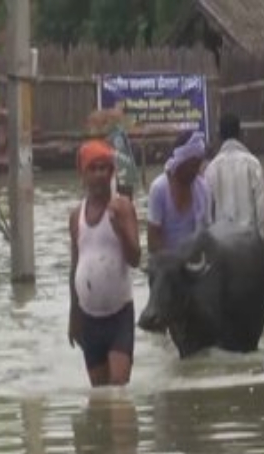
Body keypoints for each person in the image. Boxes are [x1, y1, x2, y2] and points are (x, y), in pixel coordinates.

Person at [68, 139, 141, 387]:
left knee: (118, 392)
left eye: (104, 168)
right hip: (89, 318)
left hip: (119, 315)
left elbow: (135, 259)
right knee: (100, 398)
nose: (100, 174)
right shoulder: (76, 216)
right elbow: (74, 266)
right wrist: (73, 316)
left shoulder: (122, 208)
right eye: (94, 168)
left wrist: (121, 229)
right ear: (83, 174)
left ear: (111, 172)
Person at [204, 113, 264, 238]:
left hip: (221, 243)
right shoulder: (253, 164)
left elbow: (208, 215)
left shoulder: (211, 169)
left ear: (220, 136)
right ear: (240, 134)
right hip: (249, 243)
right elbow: (262, 210)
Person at [147, 131, 212, 254]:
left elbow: (207, 232)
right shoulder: (159, 188)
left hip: (194, 259)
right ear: (180, 163)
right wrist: (173, 263)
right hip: (167, 263)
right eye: (192, 166)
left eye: (198, 165)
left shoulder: (203, 188)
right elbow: (153, 239)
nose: (196, 171)